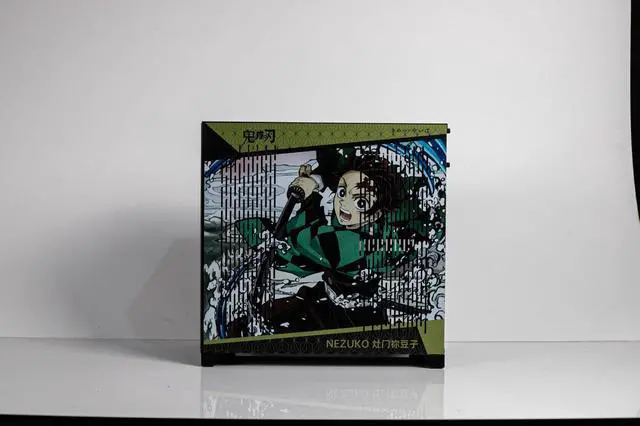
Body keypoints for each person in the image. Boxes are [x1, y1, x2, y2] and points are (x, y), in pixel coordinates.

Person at [227, 148, 414, 336]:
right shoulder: (373, 226)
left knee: (253, 325)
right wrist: (316, 185)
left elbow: (300, 244)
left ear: (377, 213)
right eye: (342, 192)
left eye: (360, 203)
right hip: (339, 303)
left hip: (345, 319)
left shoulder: (350, 244)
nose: (344, 203)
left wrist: (311, 197)